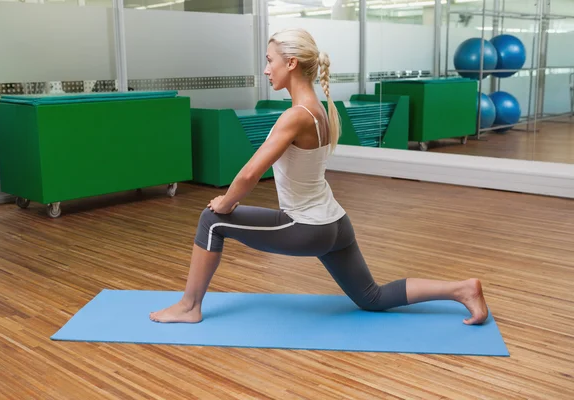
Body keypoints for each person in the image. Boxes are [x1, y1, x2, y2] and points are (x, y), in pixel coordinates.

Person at [150, 28, 488, 325]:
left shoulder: (295, 116)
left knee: (211, 221)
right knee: (371, 297)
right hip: (336, 224)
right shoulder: (321, 110)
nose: (267, 70)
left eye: (270, 61)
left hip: (307, 227)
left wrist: (224, 203)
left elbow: (251, 173)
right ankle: (460, 289)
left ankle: (189, 306)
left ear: (292, 63)